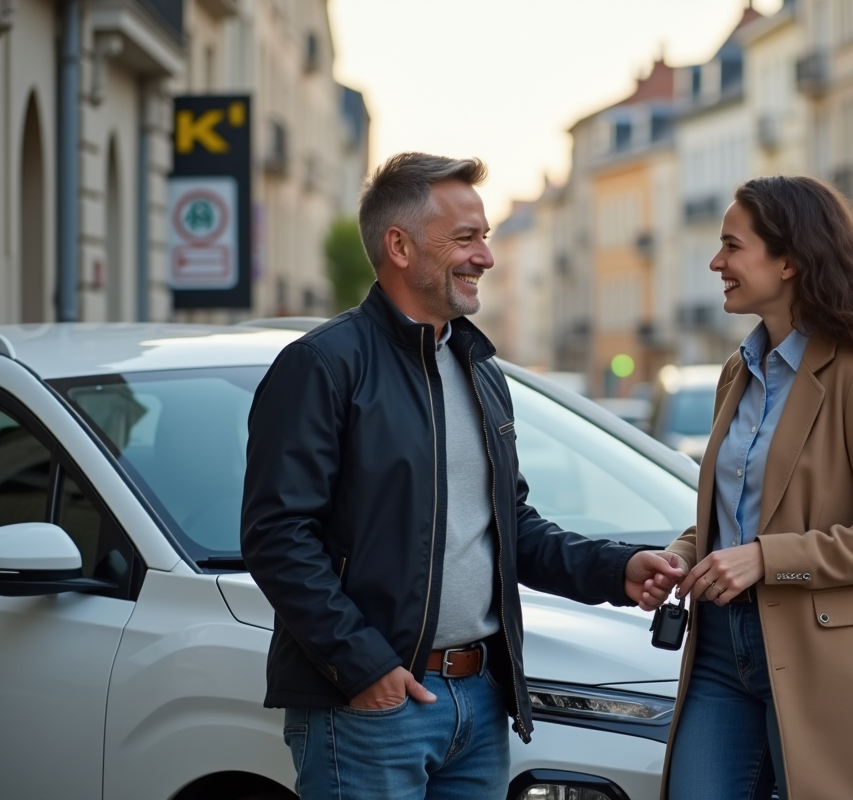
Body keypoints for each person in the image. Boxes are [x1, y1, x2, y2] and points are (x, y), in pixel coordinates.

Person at [241, 152, 684, 800]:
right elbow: (277, 537)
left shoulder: (479, 369)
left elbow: (510, 528)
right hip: (369, 709)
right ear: (399, 246)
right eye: (466, 238)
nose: (487, 257)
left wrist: (616, 569)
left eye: (487, 237)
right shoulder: (322, 366)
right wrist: (365, 668)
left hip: (479, 703)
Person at [651, 176, 853, 799]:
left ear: (789, 261)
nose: (716, 263)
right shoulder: (739, 370)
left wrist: (767, 559)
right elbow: (737, 514)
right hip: (719, 646)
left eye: (732, 246)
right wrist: (682, 555)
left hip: (820, 649)